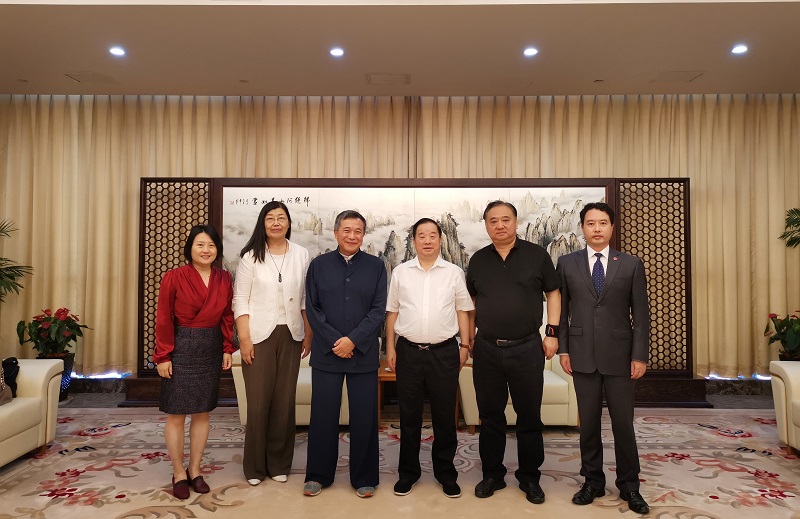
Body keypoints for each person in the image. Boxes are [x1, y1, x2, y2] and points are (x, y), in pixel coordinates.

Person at [556, 201, 650, 514]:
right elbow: (562, 311)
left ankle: (630, 486)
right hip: (581, 354)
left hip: (621, 357)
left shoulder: (631, 264)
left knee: (623, 423)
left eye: (603, 223)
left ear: (611, 227)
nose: (597, 229)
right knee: (589, 424)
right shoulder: (567, 263)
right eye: (591, 223)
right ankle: (592, 481)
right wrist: (564, 349)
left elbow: (641, 315)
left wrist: (639, 355)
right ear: (582, 228)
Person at [465, 200, 561, 504]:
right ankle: (492, 474)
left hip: (527, 348)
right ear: (486, 225)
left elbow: (553, 293)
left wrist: (552, 333)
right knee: (490, 416)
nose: (500, 225)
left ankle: (529, 477)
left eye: (505, 219)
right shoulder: (478, 260)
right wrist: (468, 339)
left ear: (516, 222)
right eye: (493, 221)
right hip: (487, 349)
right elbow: (470, 303)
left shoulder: (537, 255)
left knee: (529, 416)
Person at [385, 218, 474, 498]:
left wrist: (464, 345)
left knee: (445, 416)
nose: (427, 240)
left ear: (440, 239)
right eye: (421, 235)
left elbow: (463, 310)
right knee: (409, 416)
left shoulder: (453, 272)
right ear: (414, 241)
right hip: (408, 351)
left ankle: (446, 474)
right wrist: (390, 348)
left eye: (432, 235)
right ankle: (408, 474)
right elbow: (392, 312)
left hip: (444, 352)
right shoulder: (401, 272)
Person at [303, 210, 387, 498]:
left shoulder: (376, 266)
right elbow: (312, 308)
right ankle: (318, 475)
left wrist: (353, 340)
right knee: (323, 416)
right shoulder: (319, 265)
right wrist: (335, 341)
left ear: (363, 235)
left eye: (358, 231)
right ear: (336, 233)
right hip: (326, 354)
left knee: (364, 417)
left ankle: (364, 477)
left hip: (363, 353)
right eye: (347, 230)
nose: (352, 236)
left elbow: (378, 310)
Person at [233, 201, 312, 486]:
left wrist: (308, 332)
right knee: (258, 402)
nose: (276, 223)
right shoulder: (250, 256)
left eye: (281, 218)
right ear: (263, 223)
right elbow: (240, 299)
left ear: (289, 223)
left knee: (284, 401)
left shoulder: (301, 254)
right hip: (258, 335)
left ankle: (279, 463)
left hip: (291, 333)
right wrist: (244, 339)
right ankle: (255, 467)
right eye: (270, 218)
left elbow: (304, 298)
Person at [154, 224, 235, 500]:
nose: (206, 250)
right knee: (176, 413)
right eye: (200, 245)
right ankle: (178, 472)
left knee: (202, 412)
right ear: (190, 248)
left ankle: (195, 470)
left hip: (210, 348)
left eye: (211, 245)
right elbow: (163, 317)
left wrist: (227, 348)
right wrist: (163, 355)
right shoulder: (174, 277)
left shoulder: (224, 278)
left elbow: (227, 316)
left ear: (217, 250)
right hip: (180, 347)